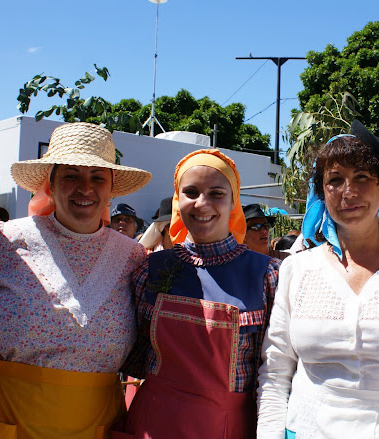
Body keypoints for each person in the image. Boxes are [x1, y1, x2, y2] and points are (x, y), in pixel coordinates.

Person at [0, 122, 151, 439]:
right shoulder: (3, 241)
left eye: (97, 177)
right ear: (50, 185)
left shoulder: (133, 257)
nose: (85, 188)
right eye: (71, 175)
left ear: (111, 190)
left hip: (96, 422)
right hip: (6, 416)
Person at [257, 120, 379, 438]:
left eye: (362, 177)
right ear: (321, 191)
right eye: (335, 180)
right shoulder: (297, 270)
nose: (348, 192)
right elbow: (276, 368)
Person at [118, 149, 280, 439]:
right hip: (151, 425)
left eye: (216, 193)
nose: (202, 204)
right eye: (190, 192)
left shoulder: (268, 275)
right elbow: (132, 356)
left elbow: (275, 374)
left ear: (234, 203)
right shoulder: (150, 269)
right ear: (178, 201)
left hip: (228, 429)